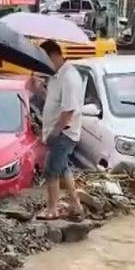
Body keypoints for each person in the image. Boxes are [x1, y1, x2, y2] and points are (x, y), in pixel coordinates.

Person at [36, 41, 85, 221]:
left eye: (45, 59)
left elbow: (68, 110)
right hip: (56, 131)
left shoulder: (70, 77)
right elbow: (53, 102)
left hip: (64, 132)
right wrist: (40, 90)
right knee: (63, 169)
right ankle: (75, 204)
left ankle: (52, 209)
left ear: (54, 56)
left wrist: (55, 133)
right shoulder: (56, 76)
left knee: (51, 171)